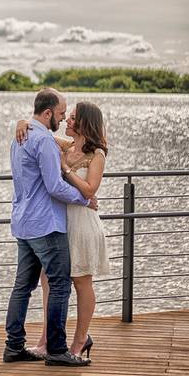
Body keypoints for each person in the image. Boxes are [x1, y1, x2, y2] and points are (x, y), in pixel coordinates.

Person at [3, 88, 95, 367]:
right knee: (59, 286)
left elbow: (70, 146)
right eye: (60, 113)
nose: (63, 117)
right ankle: (56, 349)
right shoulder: (42, 140)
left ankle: (14, 347)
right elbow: (54, 186)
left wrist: (23, 122)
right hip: (46, 225)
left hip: (23, 222)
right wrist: (84, 199)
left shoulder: (21, 136)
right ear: (47, 114)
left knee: (22, 287)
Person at [15, 101, 110, 359]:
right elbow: (41, 132)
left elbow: (90, 190)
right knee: (49, 279)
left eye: (72, 118)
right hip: (57, 222)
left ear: (85, 123)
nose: (67, 119)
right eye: (66, 116)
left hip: (81, 224)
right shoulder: (66, 145)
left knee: (81, 280)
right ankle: (46, 341)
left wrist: (65, 169)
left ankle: (81, 340)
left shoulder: (97, 154)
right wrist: (22, 123)